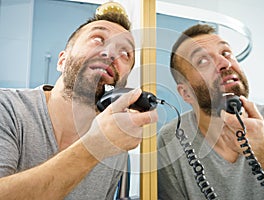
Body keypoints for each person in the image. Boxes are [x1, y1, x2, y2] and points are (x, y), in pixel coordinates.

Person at [0, 11, 158, 199]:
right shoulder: (7, 108)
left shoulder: (114, 149)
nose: (111, 53)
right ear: (62, 60)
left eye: (125, 53)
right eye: (98, 39)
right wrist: (93, 147)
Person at [157, 24, 264, 200]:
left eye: (225, 53)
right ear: (186, 93)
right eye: (202, 61)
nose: (225, 63)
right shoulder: (171, 140)